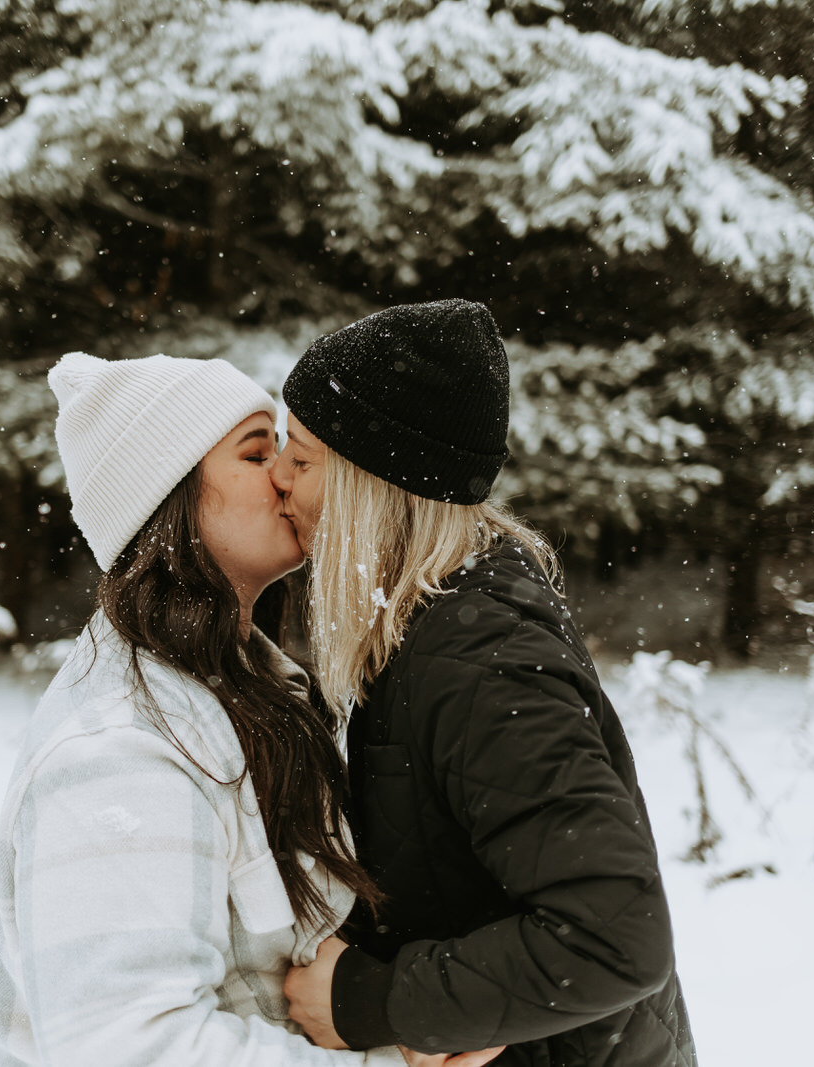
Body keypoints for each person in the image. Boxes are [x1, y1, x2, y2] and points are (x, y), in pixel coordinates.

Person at [0, 351, 503, 1067]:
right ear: (168, 499)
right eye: (257, 452)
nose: (287, 472)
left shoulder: (250, 692)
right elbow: (132, 1046)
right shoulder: (118, 748)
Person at [275, 300, 697, 1067]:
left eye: (301, 460)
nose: (278, 479)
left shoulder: (479, 656)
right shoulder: (426, 625)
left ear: (373, 487)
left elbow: (614, 936)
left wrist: (369, 1001)